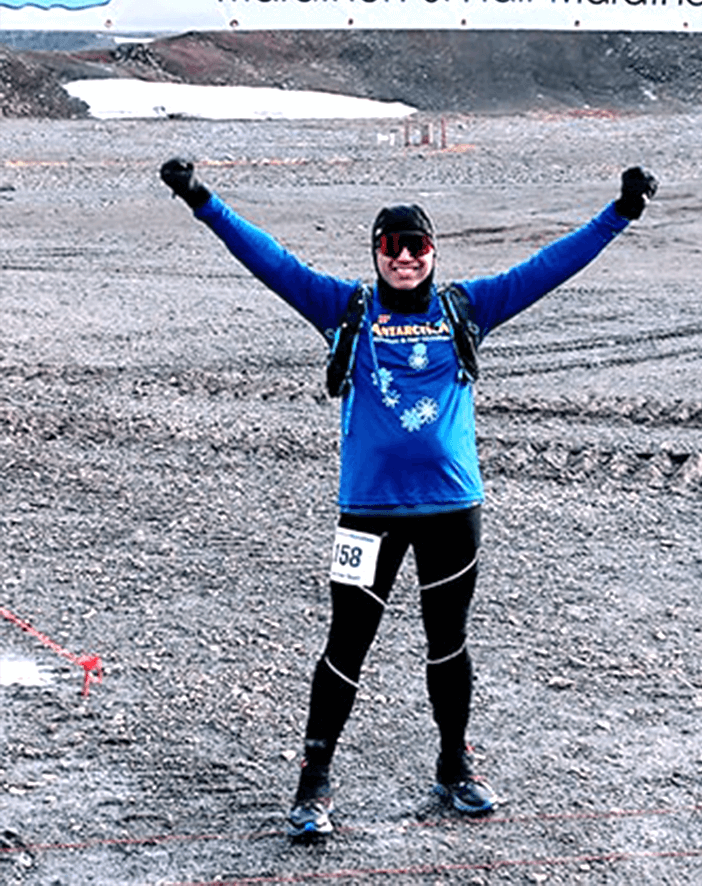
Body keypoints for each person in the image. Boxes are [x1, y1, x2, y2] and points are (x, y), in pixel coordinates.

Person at [159, 157, 658, 840]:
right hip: (367, 513)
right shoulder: (345, 310)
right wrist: (200, 198)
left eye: (416, 245)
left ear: (433, 252)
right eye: (390, 246)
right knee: (346, 645)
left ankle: (454, 767)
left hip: (453, 512)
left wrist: (620, 213)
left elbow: (547, 268)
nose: (404, 258)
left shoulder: (467, 309)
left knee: (447, 644)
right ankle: (313, 785)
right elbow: (269, 260)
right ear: (375, 254)